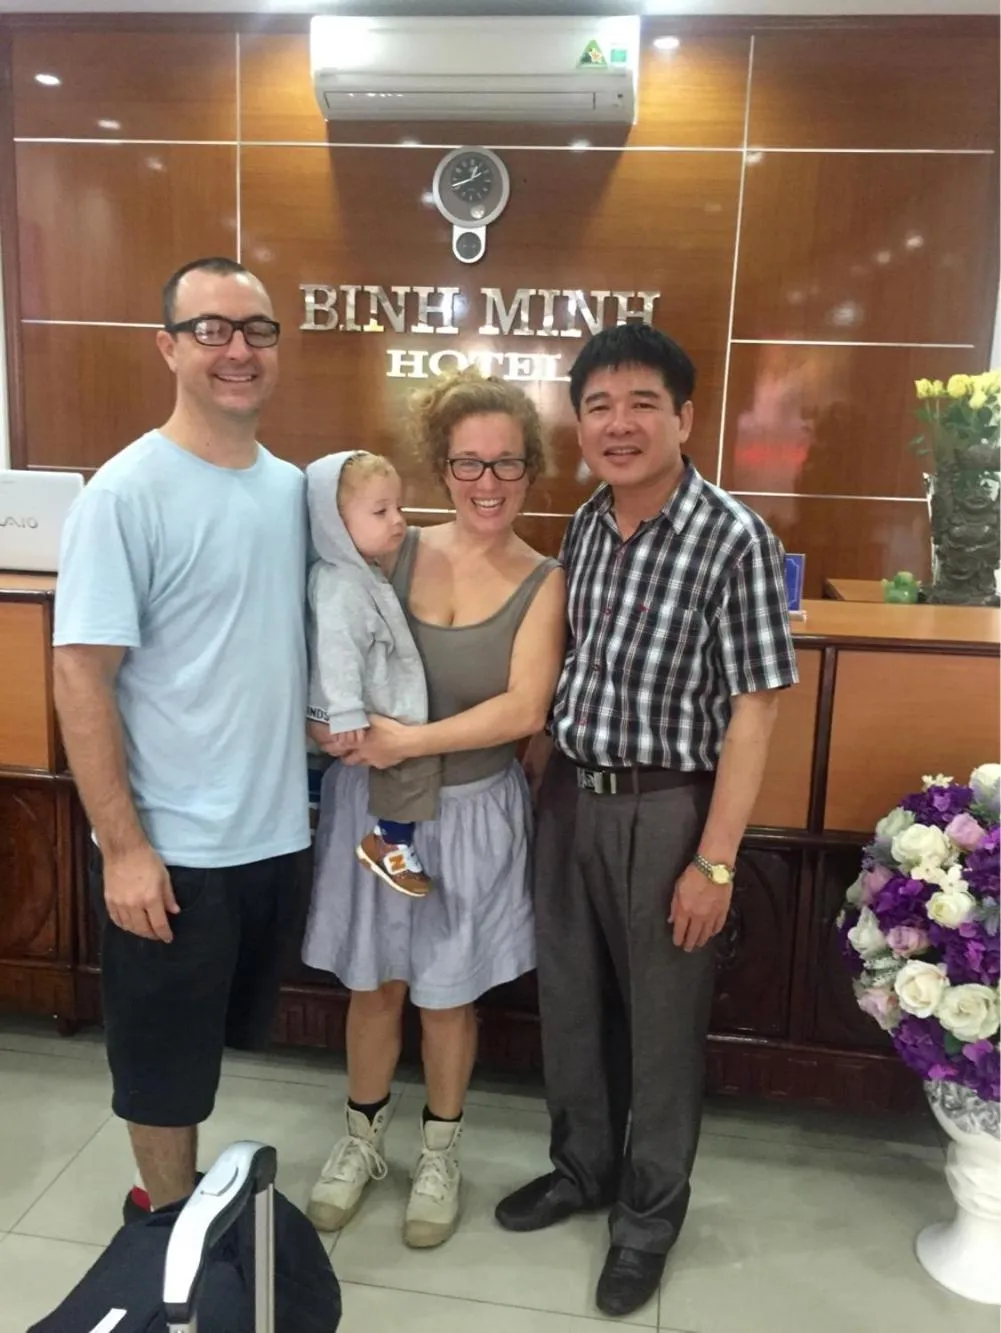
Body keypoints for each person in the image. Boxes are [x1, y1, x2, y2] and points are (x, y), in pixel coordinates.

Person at [495, 324, 799, 1318]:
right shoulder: (586, 521)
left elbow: (754, 711)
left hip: (669, 810)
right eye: (596, 406)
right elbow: (573, 666)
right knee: (571, 1005)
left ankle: (647, 1214)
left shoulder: (731, 537)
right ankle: (581, 1169)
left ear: (684, 416)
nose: (616, 424)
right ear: (577, 421)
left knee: (663, 1031)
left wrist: (712, 864)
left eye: (639, 403)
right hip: (569, 799)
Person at [52, 257, 310, 1220]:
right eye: (210, 329)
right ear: (167, 346)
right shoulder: (126, 493)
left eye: (256, 329)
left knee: (211, 1053)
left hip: (273, 836)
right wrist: (122, 847)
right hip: (172, 852)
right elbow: (81, 672)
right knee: (162, 1072)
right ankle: (165, 1235)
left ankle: (189, 1210)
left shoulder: (290, 490)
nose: (236, 350)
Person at [302, 368, 566, 1249]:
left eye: (506, 463)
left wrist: (407, 740)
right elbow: (329, 644)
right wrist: (323, 722)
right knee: (373, 983)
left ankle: (439, 1153)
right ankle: (360, 1140)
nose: (486, 483)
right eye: (467, 463)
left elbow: (524, 710)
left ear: (532, 470)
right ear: (440, 467)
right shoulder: (390, 550)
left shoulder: (545, 578)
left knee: (449, 995)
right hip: (374, 804)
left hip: (475, 809)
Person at [305, 450, 440, 898]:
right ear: (335, 523)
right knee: (406, 762)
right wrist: (343, 714)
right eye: (380, 512)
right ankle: (391, 840)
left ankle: (390, 835)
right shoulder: (340, 583)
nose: (397, 520)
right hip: (363, 705)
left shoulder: (364, 572)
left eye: (398, 507)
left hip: (373, 700)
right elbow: (337, 652)